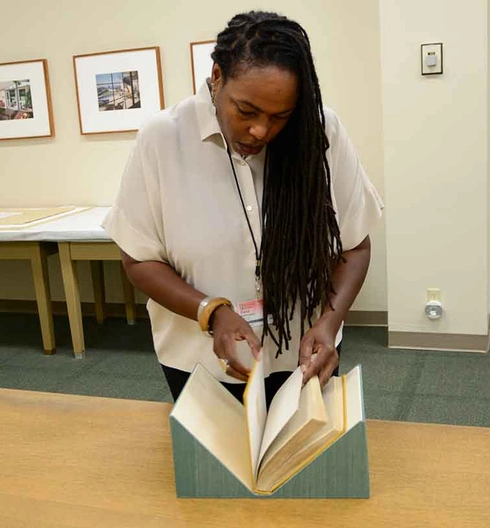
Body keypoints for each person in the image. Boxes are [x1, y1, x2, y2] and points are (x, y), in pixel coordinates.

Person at [103, 10, 383, 404]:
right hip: (202, 363)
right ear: (217, 77)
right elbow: (139, 260)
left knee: (306, 462)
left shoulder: (321, 132)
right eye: (246, 111)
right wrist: (211, 311)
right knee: (214, 465)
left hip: (303, 357)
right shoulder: (163, 140)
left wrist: (330, 320)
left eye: (280, 116)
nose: (261, 131)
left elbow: (354, 247)